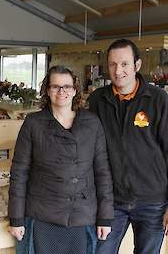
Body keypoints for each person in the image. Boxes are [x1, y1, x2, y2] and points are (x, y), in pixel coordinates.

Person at [8, 65, 114, 254]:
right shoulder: (33, 123)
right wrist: (16, 219)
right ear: (47, 91)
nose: (61, 91)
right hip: (43, 214)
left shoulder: (92, 122)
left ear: (75, 90)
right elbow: (19, 173)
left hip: (82, 215)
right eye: (55, 86)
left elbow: (102, 172)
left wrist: (105, 218)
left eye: (67, 86)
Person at [88, 39, 168, 254]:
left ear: (137, 65)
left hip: (153, 201)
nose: (118, 70)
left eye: (124, 64)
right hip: (111, 201)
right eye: (113, 64)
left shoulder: (159, 100)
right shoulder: (97, 100)